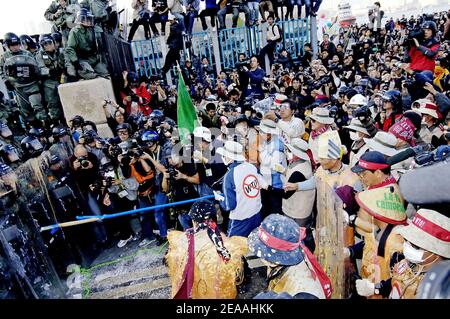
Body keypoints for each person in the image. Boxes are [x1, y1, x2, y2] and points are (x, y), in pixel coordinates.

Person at [166, 200, 247, 298]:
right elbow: (242, 277)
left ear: (193, 221)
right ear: (215, 218)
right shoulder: (226, 246)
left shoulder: (179, 240)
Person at [248, 214, 331, 299]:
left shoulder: (303, 292)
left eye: (261, 250)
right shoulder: (292, 246)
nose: (257, 253)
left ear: (274, 259)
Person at [388, 209, 450, 299]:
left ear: (437, 254)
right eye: (406, 240)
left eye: (415, 246)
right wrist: (376, 288)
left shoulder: (441, 288)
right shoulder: (406, 263)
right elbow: (394, 284)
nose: (407, 246)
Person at [216, 141, 266, 237]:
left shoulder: (229, 176)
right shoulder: (251, 167)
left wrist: (219, 199)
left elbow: (229, 206)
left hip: (240, 220)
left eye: (224, 155)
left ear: (230, 157)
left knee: (233, 248)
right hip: (257, 214)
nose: (223, 158)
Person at [0, 33, 48, 127]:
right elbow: (2, 70)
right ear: (8, 46)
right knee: (25, 110)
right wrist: (6, 81)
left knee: (37, 106)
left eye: (17, 44)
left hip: (32, 84)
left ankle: (46, 125)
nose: (16, 47)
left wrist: (38, 76)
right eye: (13, 45)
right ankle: (34, 128)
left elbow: (35, 66)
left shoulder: (27, 53)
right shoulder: (4, 57)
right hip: (18, 87)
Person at [65, 8, 110, 80]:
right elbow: (70, 48)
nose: (89, 21)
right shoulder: (74, 31)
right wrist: (75, 62)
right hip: (82, 59)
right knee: (90, 74)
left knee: (105, 72)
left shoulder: (91, 30)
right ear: (81, 19)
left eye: (89, 19)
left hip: (92, 58)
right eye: (87, 19)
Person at [256, 119, 286, 216]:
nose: (260, 134)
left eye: (262, 132)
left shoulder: (278, 145)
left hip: (275, 186)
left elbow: (274, 164)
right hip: (266, 184)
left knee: (275, 212)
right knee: (265, 210)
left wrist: (261, 151)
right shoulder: (265, 141)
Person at [35, 34, 66, 124]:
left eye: (50, 43)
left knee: (65, 99)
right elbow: (40, 68)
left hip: (62, 78)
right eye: (45, 44)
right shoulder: (39, 55)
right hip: (49, 81)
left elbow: (67, 62)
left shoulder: (60, 51)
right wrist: (50, 71)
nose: (49, 46)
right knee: (52, 103)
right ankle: (57, 122)